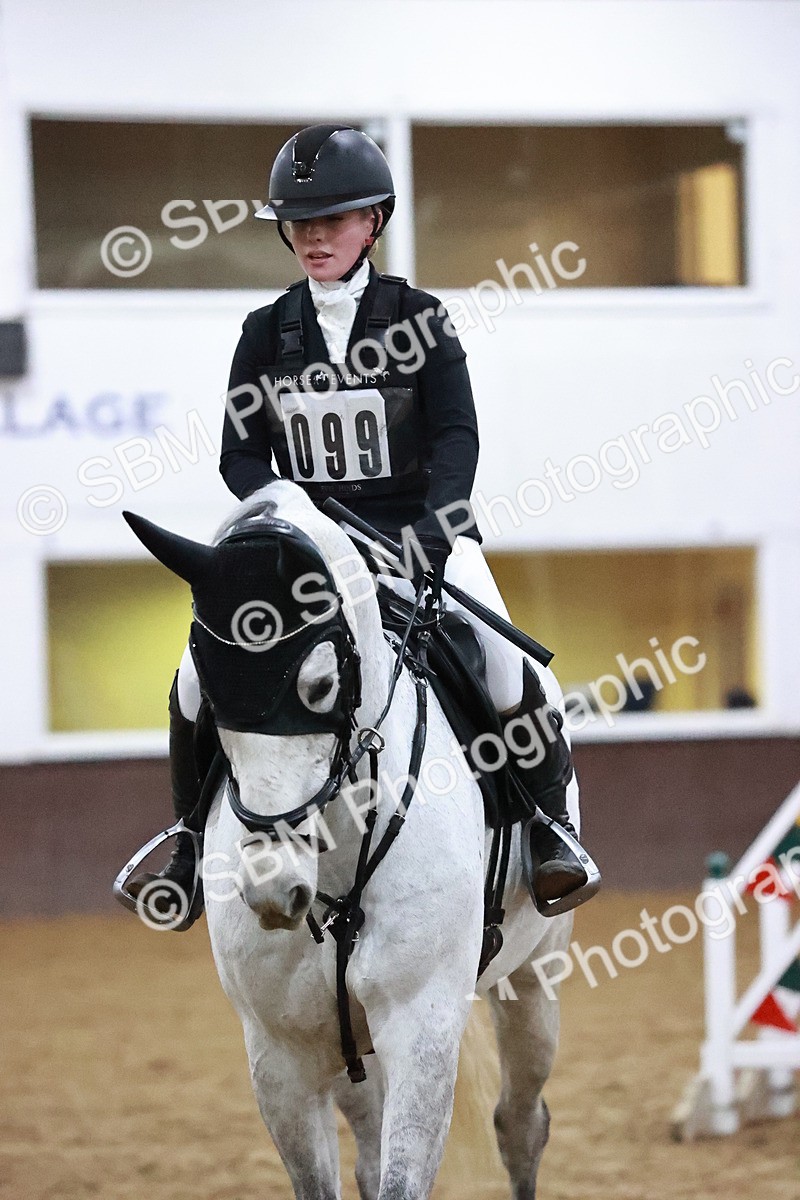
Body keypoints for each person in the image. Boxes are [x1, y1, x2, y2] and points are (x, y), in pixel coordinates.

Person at [131, 124, 593, 925]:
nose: (314, 238)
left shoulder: (421, 318)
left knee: (509, 666)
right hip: (310, 549)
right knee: (194, 678)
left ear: (373, 221)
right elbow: (240, 456)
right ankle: (185, 842)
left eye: (333, 220)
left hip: (419, 538)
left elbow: (456, 438)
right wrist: (295, 515)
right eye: (300, 223)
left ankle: (550, 830)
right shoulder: (264, 333)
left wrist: (435, 533)